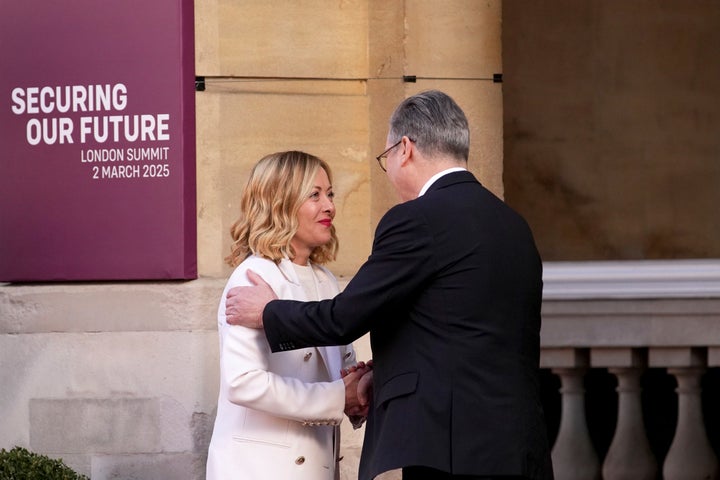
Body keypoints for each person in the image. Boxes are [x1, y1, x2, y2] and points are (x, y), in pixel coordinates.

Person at [224, 91, 554, 480]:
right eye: (314, 195)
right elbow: (465, 330)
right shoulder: (514, 225)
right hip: (520, 445)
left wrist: (267, 312)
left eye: (386, 159)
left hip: (449, 447)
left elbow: (343, 318)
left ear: (405, 149)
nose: (329, 205)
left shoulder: (418, 219)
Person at [205, 150, 370, 480]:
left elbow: (339, 368)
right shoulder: (252, 276)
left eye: (330, 194)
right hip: (260, 469)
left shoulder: (326, 280)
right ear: (280, 202)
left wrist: (358, 388)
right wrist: (338, 396)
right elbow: (243, 383)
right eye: (315, 195)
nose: (330, 207)